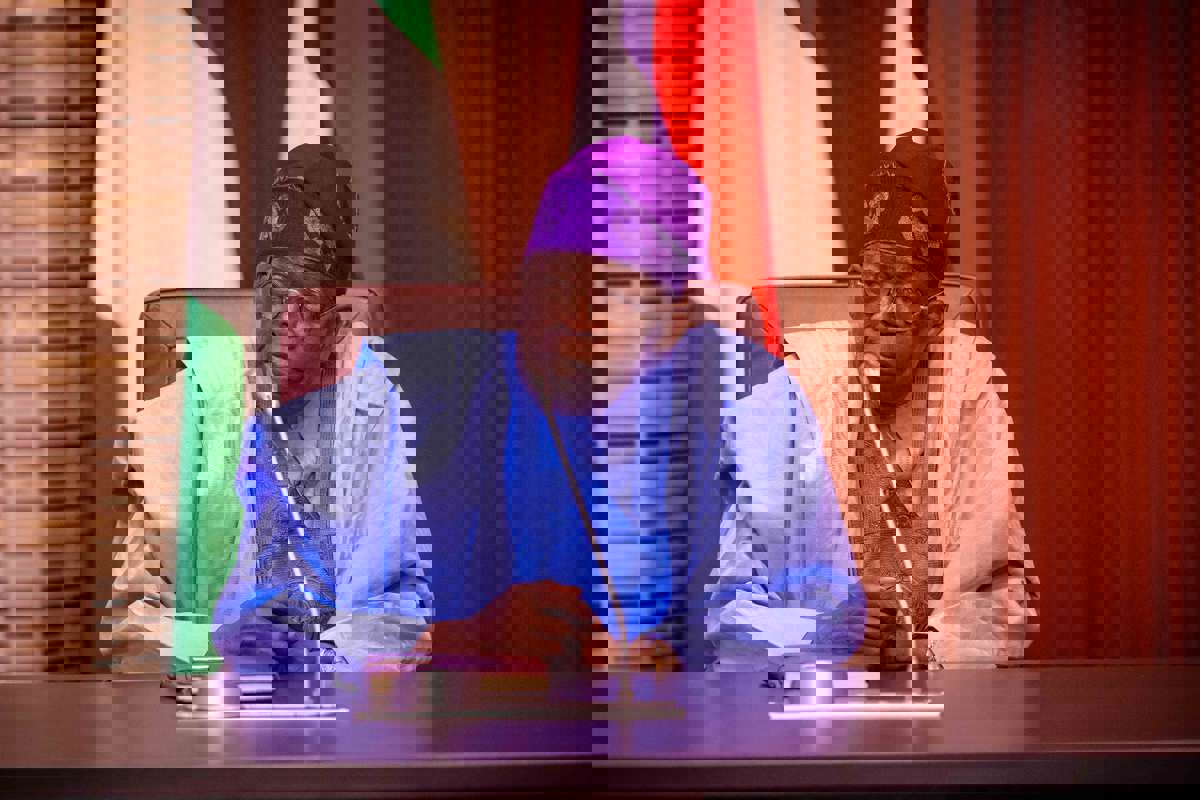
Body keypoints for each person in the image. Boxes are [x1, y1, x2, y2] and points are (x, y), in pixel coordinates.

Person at [377, 135, 864, 673]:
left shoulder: (745, 388)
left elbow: (825, 607)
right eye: (556, 284)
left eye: (612, 288)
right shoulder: (459, 385)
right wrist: (466, 637)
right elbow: (369, 604)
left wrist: (681, 651)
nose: (577, 316)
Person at [785, 132, 1037, 668]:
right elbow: (746, 583)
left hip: (937, 678)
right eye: (871, 285)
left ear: (936, 310)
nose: (884, 311)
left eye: (905, 291)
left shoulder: (966, 378)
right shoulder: (806, 379)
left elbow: (999, 587)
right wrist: (828, 631)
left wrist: (919, 652)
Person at [208, 144, 434, 676]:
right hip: (275, 637)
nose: (283, 324)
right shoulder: (255, 397)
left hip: (359, 635)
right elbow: (245, 571)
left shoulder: (377, 391)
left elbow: (380, 582)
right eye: (271, 302)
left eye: (303, 308)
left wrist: (343, 661)